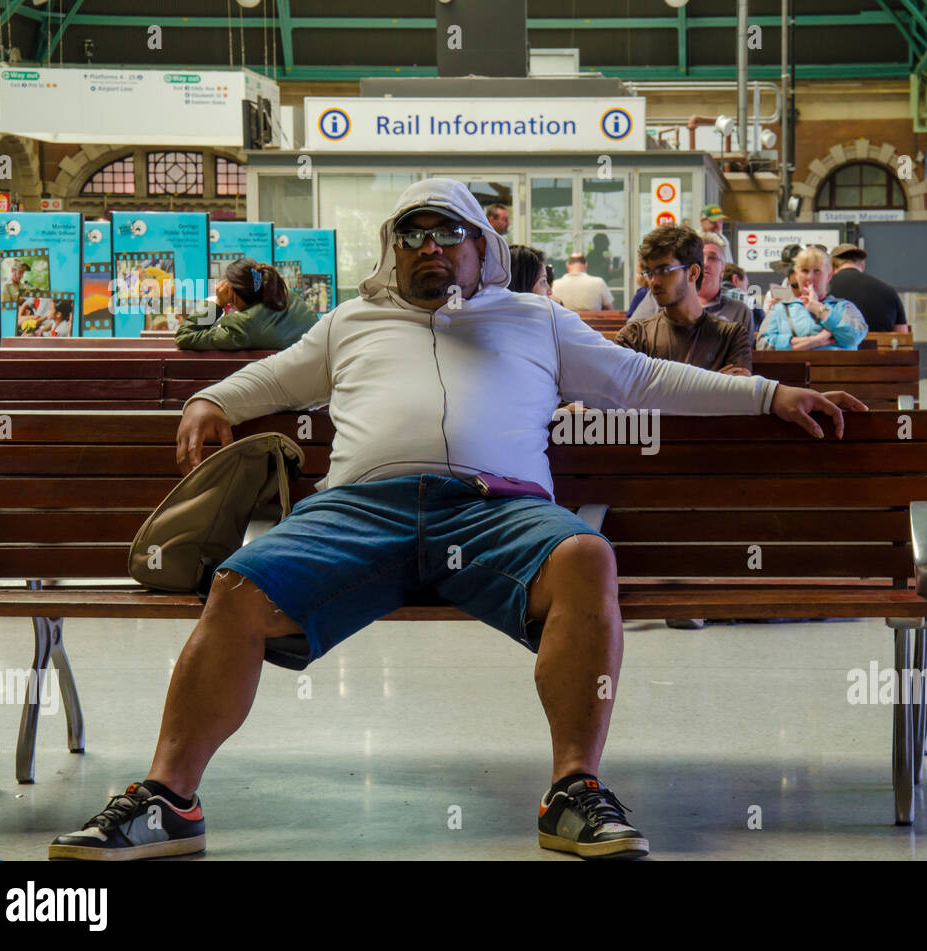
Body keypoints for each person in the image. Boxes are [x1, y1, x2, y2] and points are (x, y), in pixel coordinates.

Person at [48, 177, 864, 863]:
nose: (429, 246)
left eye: (449, 232)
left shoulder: (535, 319)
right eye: (412, 234)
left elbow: (643, 378)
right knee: (238, 585)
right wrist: (209, 399)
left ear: (484, 248)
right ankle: (169, 797)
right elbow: (267, 377)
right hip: (359, 509)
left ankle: (573, 789)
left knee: (586, 557)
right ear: (391, 250)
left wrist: (770, 394)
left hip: (498, 510)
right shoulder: (350, 322)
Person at [615, 225, 752, 376]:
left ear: (693, 273)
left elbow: (738, 395)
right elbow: (624, 395)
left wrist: (655, 384)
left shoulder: (731, 336)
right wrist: (715, 380)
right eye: (649, 272)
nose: (653, 281)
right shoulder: (633, 336)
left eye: (665, 271)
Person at [626, 234, 754, 340]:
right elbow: (633, 336)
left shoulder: (740, 311)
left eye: (712, 258)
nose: (705, 263)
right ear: (692, 268)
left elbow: (741, 358)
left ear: (723, 270)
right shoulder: (661, 296)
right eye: (701, 257)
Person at [175, 258, 319, 352]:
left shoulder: (242, 326)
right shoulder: (289, 298)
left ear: (235, 295)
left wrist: (218, 303)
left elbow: (185, 336)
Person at [760, 245, 867, 350]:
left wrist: (819, 309)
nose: (810, 278)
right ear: (796, 275)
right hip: (792, 367)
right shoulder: (780, 309)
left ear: (829, 276)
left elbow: (853, 337)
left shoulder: (845, 308)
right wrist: (815, 341)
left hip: (834, 367)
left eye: (817, 271)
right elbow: (763, 344)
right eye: (804, 271)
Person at [828, 244, 909, 334]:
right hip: (879, 347)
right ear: (862, 266)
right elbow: (903, 337)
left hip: (836, 347)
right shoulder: (889, 291)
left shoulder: (823, 290)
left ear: (832, 268)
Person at [724, 263, 767, 332]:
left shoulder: (706, 298)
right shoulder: (749, 300)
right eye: (746, 285)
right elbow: (766, 327)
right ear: (735, 279)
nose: (746, 290)